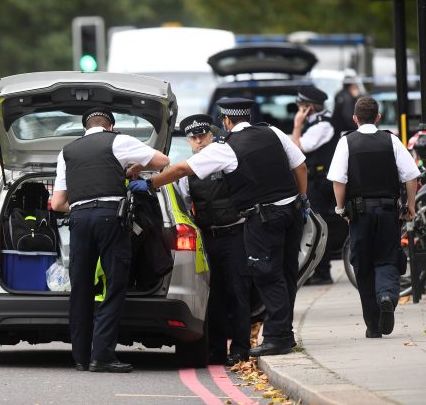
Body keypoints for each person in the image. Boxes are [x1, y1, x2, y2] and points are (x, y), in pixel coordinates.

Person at [130, 98, 307, 357]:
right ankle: (279, 334)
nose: (199, 141)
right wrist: (302, 199)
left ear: (225, 122)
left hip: (256, 222)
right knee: (283, 274)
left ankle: (273, 338)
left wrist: (150, 184)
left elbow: (179, 169)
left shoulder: (225, 149)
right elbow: (300, 166)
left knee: (267, 277)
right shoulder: (273, 131)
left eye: (203, 135)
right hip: (289, 211)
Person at [50, 107, 169, 373]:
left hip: (78, 220)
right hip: (111, 218)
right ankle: (101, 356)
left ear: (85, 129)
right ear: (111, 127)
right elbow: (163, 161)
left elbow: (57, 203)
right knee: (115, 284)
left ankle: (80, 357)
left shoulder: (66, 151)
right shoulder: (119, 141)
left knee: (80, 287)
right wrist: (134, 168)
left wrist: (82, 206)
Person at [327, 96, 419, 338]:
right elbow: (412, 176)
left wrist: (340, 209)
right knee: (388, 257)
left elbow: (339, 180)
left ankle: (373, 324)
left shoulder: (346, 142)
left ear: (355, 118)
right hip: (389, 211)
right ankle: (387, 296)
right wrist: (409, 205)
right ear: (378, 117)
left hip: (359, 214)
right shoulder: (392, 140)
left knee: (363, 264)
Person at [175, 114, 251, 366]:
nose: (199, 142)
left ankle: (240, 348)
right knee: (213, 295)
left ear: (212, 135)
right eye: (194, 138)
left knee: (238, 292)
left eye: (203, 136)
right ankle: (216, 350)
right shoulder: (186, 172)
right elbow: (186, 209)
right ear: (189, 141)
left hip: (235, 234)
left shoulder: (224, 159)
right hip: (207, 239)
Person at [292, 85, 341, 285]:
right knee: (316, 223)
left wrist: (296, 125)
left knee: (318, 225)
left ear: (308, 108)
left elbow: (296, 149)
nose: (297, 109)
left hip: (320, 181)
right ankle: (319, 269)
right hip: (317, 179)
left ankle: (323, 272)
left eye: (299, 106)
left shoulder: (323, 125)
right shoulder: (317, 121)